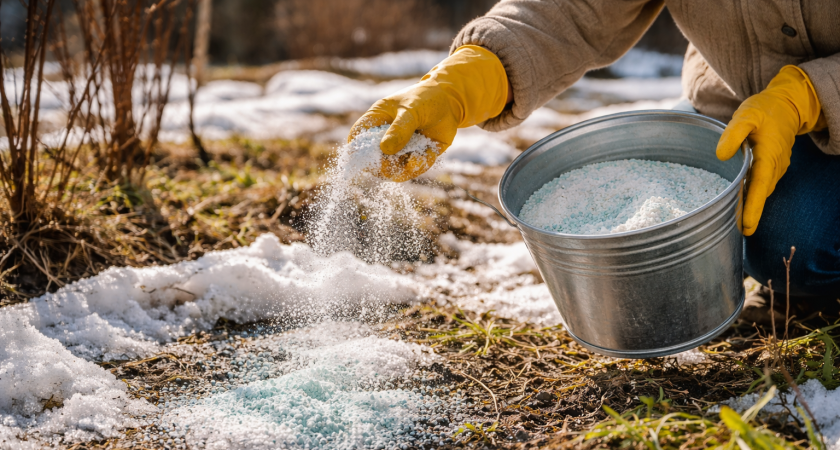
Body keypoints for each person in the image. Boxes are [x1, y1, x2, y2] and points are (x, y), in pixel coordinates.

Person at [350, 1, 840, 316]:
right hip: (734, 98)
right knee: (666, 174)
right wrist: (468, 78)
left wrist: (810, 96)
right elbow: (572, 11)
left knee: (792, 243)